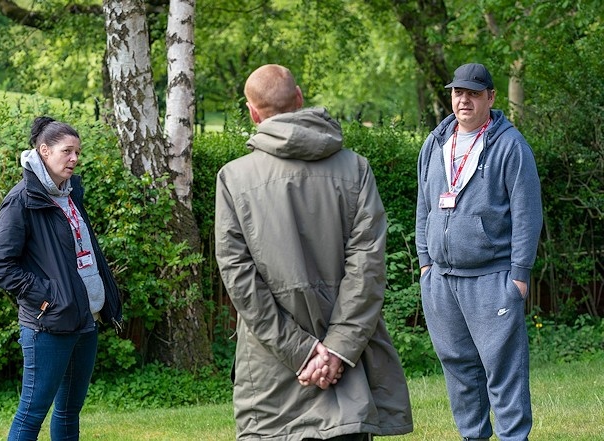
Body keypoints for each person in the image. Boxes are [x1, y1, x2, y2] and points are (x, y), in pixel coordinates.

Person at [214, 64, 413, 441]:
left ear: (253, 111)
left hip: (272, 367)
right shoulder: (355, 168)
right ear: (300, 97)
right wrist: (337, 350)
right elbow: (368, 268)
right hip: (349, 367)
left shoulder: (234, 178)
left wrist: (302, 352)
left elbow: (240, 281)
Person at [416, 63, 543, 441]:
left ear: (490, 97)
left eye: (473, 93)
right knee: (459, 372)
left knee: (503, 372)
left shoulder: (510, 146)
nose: (464, 100)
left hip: (493, 279)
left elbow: (527, 214)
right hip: (441, 280)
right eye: (458, 92)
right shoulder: (435, 142)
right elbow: (424, 205)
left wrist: (519, 276)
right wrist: (425, 264)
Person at [0, 116, 123, 441]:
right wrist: (48, 297)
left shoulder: (70, 192)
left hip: (84, 320)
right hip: (47, 326)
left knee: (67, 413)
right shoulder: (22, 201)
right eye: (67, 151)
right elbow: (0, 265)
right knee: (32, 414)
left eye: (78, 152)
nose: (74, 158)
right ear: (44, 151)